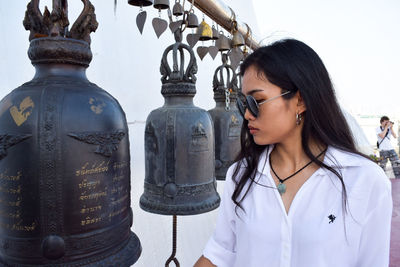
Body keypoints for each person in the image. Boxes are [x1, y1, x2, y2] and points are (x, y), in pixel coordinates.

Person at [194, 39, 392, 267]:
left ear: (300, 100)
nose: (247, 114)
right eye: (243, 104)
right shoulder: (240, 176)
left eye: (256, 101)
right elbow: (221, 251)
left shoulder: (364, 180)